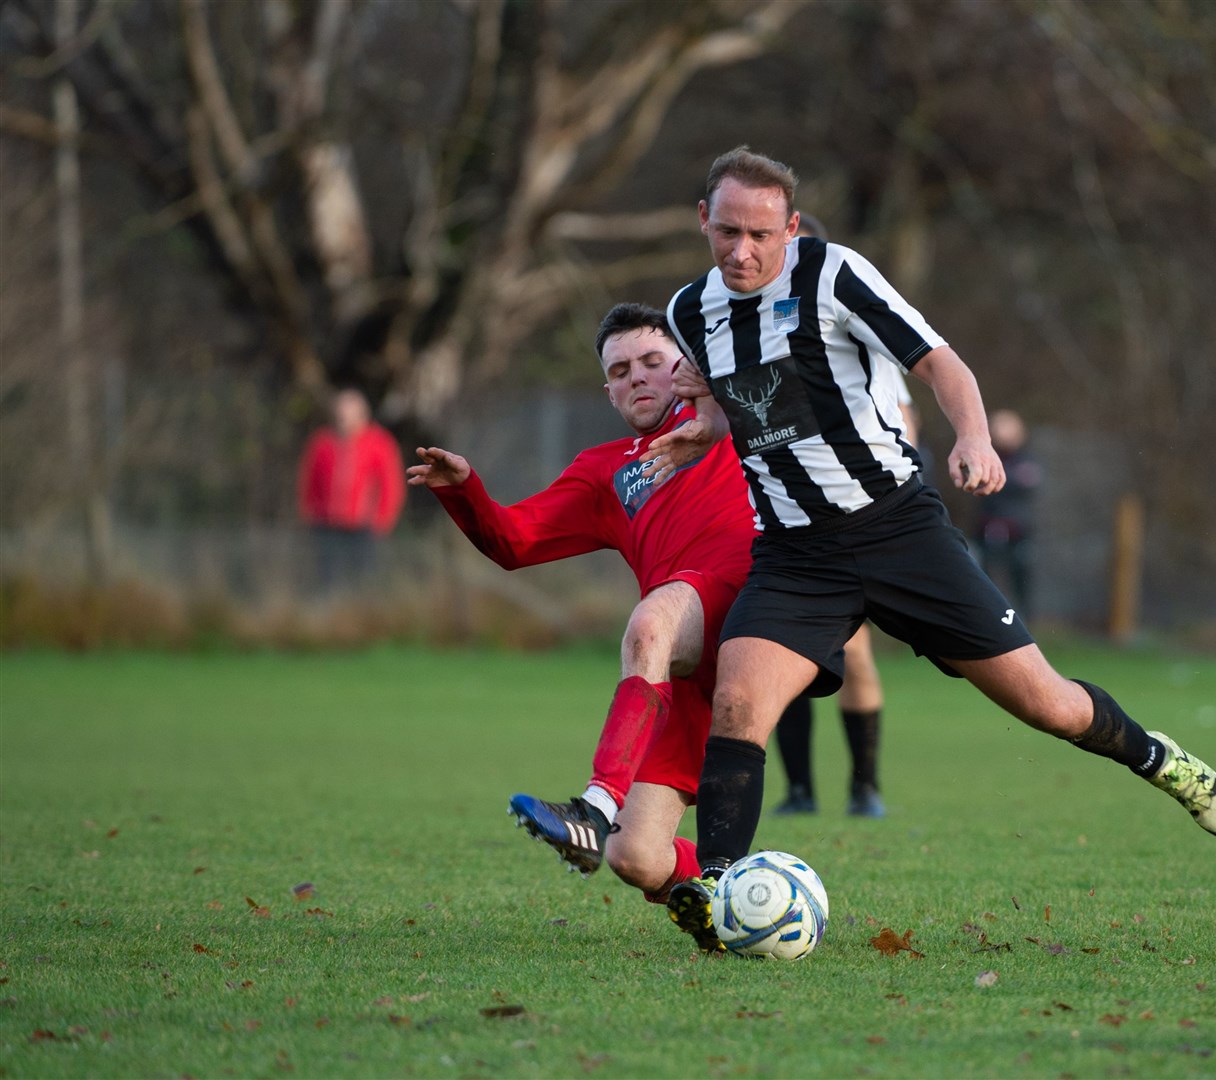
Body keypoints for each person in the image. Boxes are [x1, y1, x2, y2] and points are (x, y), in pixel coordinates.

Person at [642, 147, 1216, 953]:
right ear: (701, 223)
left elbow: (938, 361)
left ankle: (1159, 759)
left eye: (758, 233)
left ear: (788, 227)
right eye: (725, 232)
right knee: (739, 705)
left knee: (1046, 704)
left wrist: (974, 439)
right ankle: (719, 890)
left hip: (898, 531)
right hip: (793, 553)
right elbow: (744, 407)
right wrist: (698, 434)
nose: (740, 251)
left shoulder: (833, 274)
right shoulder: (688, 311)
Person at [407, 303, 756, 910]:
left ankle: (595, 806)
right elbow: (514, 543)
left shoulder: (724, 418)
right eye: (620, 371)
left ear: (685, 367)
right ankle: (756, 893)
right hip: (684, 662)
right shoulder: (604, 471)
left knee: (650, 620)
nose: (638, 377)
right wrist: (465, 491)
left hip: (748, 610)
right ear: (608, 391)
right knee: (638, 857)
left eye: (653, 362)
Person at [769, 212, 905, 820]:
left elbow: (902, 423)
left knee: (854, 655)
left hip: (855, 515)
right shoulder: (747, 328)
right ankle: (799, 790)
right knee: (779, 654)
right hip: (782, 518)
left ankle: (865, 786)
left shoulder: (852, 322)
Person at [296, 387, 406, 590]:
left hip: (364, 528)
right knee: (328, 582)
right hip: (327, 526)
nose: (343, 421)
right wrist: (311, 515)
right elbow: (308, 483)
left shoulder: (380, 444)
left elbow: (391, 487)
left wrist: (382, 521)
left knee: (364, 581)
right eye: (340, 416)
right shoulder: (321, 443)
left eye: (347, 416)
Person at [972, 408, 1040, 615]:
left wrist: (999, 478)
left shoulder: (1028, 458)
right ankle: (990, 616)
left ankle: (1025, 620)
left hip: (1019, 531)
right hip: (988, 528)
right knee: (987, 577)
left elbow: (1029, 483)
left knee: (1021, 577)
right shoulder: (983, 456)